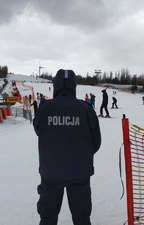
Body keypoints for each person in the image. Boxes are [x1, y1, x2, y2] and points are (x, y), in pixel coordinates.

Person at [33, 69, 101, 225]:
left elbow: (38, 130)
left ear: (56, 85)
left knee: (47, 218)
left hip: (50, 172)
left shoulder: (44, 108)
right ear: (73, 86)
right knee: (82, 218)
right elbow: (96, 142)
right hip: (80, 173)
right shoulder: (86, 109)